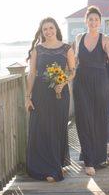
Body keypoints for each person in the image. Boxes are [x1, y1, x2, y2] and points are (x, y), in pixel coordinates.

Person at [73, 6, 109, 176]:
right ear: (85, 21)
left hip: (101, 82)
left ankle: (99, 156)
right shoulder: (79, 37)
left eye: (96, 19)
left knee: (101, 118)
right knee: (83, 119)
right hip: (81, 82)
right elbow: (73, 61)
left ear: (100, 22)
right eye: (90, 19)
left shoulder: (105, 39)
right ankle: (88, 160)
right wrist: (64, 76)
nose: (93, 22)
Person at [26, 17, 75, 182]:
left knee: (57, 128)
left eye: (51, 28)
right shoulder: (37, 50)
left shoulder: (66, 48)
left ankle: (56, 163)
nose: (48, 31)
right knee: (42, 129)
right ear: (42, 32)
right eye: (45, 29)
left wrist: (63, 82)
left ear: (56, 29)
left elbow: (72, 71)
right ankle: (47, 168)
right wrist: (28, 97)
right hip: (41, 94)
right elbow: (32, 73)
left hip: (60, 94)